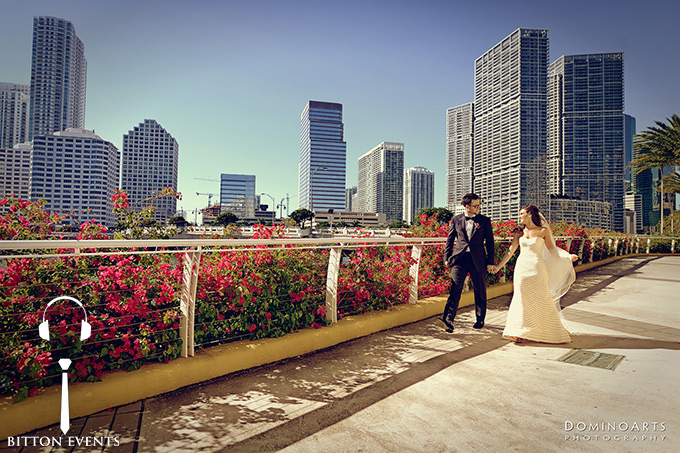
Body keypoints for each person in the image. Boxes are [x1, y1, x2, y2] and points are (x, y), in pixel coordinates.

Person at [491, 205, 578, 344]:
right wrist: (498, 267)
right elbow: (511, 251)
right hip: (521, 270)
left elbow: (553, 250)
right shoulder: (519, 232)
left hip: (537, 269)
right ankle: (518, 331)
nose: (519, 216)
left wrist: (568, 256)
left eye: (521, 213)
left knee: (542, 298)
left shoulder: (543, 231)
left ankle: (548, 331)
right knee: (520, 299)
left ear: (530, 214)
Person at [441, 193, 496, 332]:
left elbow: (490, 243)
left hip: (478, 259)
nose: (478, 207)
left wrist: (490, 261)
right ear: (467, 206)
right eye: (475, 205)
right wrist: (447, 257)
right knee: (455, 288)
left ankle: (480, 318)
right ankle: (448, 320)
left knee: (480, 290)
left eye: (479, 205)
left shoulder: (484, 220)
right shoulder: (456, 219)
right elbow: (450, 239)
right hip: (460, 259)